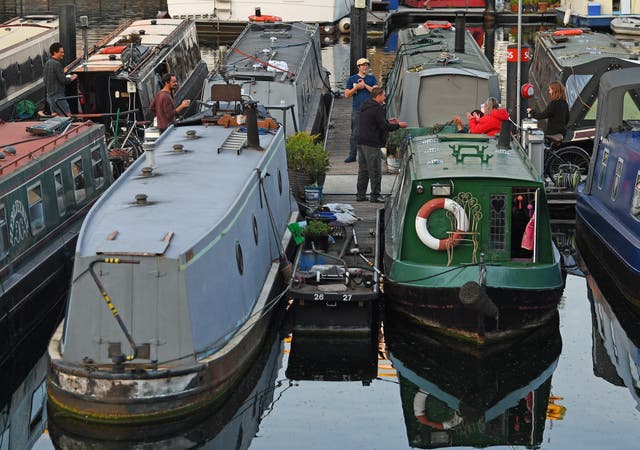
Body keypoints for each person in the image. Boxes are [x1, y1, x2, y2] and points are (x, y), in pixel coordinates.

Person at [357, 87, 407, 203]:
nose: (385, 97)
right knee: (375, 170)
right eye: (384, 95)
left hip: (361, 142)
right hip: (371, 143)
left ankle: (360, 194)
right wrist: (399, 125)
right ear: (378, 96)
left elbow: (376, 122)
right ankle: (375, 195)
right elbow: (384, 127)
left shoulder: (366, 106)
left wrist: (388, 121)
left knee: (363, 170)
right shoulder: (378, 109)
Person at [344, 57, 378, 163]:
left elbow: (376, 91)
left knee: (371, 132)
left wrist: (365, 85)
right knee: (355, 133)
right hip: (357, 109)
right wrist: (356, 87)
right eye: (363, 65)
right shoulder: (351, 79)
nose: (365, 67)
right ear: (358, 67)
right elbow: (346, 95)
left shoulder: (372, 78)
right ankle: (352, 155)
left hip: (370, 110)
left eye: (367, 65)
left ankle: (371, 155)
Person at [43, 42, 78, 115]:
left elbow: (45, 80)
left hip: (49, 96)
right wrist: (72, 78)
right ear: (55, 52)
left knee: (55, 117)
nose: (63, 54)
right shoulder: (57, 64)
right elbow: (63, 80)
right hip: (58, 96)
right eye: (61, 52)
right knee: (68, 116)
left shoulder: (47, 63)